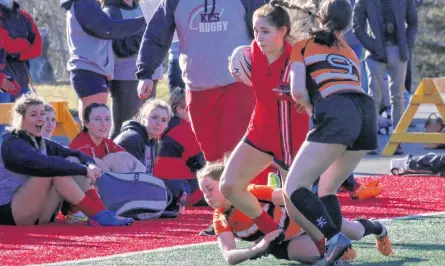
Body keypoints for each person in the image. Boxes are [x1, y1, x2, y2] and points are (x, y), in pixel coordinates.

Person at [282, 1, 378, 264]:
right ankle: (339, 254)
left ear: (319, 17)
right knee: (328, 187)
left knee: (294, 187)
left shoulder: (302, 46)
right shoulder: (349, 50)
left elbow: (298, 92)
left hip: (338, 111)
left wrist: (314, 107)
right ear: (347, 25)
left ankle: (335, 241)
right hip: (366, 112)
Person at [219, 0, 310, 249]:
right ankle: (271, 231)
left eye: (265, 31)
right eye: (256, 30)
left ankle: (342, 235)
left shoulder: (298, 58)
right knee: (229, 186)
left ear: (283, 31)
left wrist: (308, 100)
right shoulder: (251, 53)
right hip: (259, 135)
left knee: (301, 208)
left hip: (292, 142)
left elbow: (315, 94)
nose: (258, 37)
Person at [135, 0, 265, 163]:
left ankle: (241, 187)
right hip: (197, 88)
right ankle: (217, 187)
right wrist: (145, 73)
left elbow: (268, 28)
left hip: (238, 85)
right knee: (211, 157)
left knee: (235, 153)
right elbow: (156, 34)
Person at [200, 162, 393, 265]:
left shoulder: (253, 192)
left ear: (226, 183)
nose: (206, 196)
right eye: (202, 191)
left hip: (306, 220)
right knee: (321, 258)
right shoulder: (220, 217)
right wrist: (258, 248)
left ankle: (378, 228)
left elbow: (290, 196)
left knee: (355, 232)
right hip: (287, 242)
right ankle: (335, 251)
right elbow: (229, 257)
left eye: (209, 188)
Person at [0, 94, 134, 226]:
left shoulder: (42, 142)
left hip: (40, 213)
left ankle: (101, 213)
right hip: (11, 214)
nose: (40, 119)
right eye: (33, 115)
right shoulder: (12, 143)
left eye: (42, 114)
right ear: (21, 118)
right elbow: (43, 164)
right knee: (54, 170)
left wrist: (90, 165)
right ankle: (96, 214)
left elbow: (76, 154)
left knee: (72, 160)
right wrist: (83, 170)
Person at [60, 0, 146, 121]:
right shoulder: (84, 3)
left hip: (91, 70)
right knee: (94, 126)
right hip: (89, 70)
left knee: (93, 125)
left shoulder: (85, 4)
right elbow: (109, 29)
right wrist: (145, 20)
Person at [353, 0, 418, 154]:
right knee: (373, 96)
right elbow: (357, 26)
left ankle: (397, 143)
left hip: (399, 52)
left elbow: (413, 22)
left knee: (398, 98)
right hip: (375, 54)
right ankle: (371, 143)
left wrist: (406, 45)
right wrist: (373, 46)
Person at [101, 0, 163, 139]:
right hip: (126, 78)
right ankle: (114, 159)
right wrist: (147, 37)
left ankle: (144, 160)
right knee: (124, 130)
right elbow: (121, 47)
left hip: (151, 74)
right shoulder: (111, 11)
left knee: (148, 129)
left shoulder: (144, 7)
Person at [155, 87, 205, 206]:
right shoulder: (183, 130)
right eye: (194, 106)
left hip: (165, 188)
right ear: (180, 109)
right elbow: (201, 166)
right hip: (187, 191)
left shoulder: (168, 126)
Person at [69, 103, 146, 172]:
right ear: (86, 124)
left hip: (102, 182)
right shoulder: (80, 145)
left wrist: (140, 168)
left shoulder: (106, 142)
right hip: (83, 185)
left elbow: (128, 157)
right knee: (113, 159)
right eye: (98, 119)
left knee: (124, 157)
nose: (104, 124)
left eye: (107, 119)